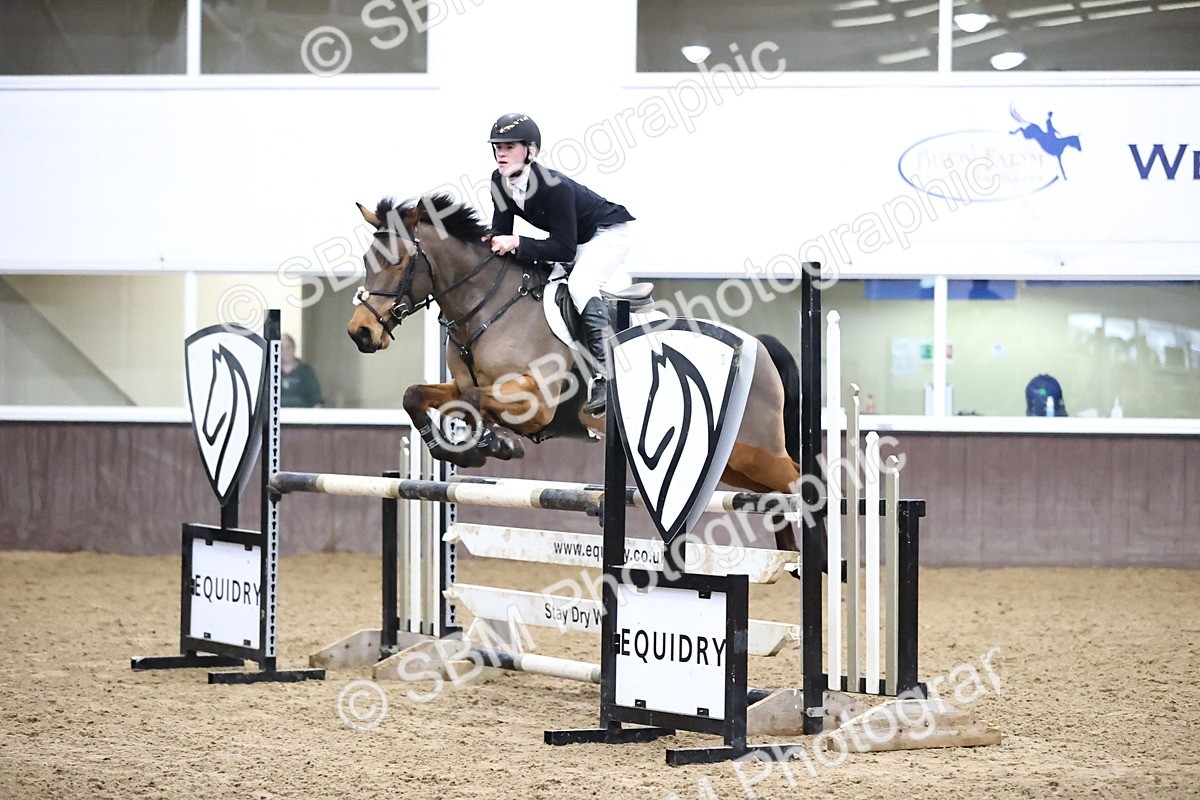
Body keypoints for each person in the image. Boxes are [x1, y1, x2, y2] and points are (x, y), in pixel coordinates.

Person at [485, 112, 635, 416]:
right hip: (576, 240)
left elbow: (564, 250)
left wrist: (517, 242)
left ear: (531, 151)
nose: (501, 153)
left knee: (580, 286)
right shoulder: (498, 182)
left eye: (509, 146)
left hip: (607, 234)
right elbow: (501, 232)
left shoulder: (555, 187)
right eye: (497, 147)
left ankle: (607, 375)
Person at [280, 333, 323, 408]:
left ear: (294, 348)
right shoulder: (271, 371)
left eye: (288, 347)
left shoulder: (305, 371)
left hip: (302, 416)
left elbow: (316, 399)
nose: (285, 351)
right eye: (281, 348)